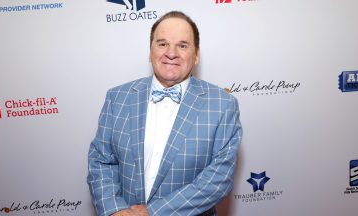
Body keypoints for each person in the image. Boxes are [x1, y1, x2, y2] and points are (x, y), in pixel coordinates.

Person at [87, 11, 243, 216]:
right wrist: (114, 210)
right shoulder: (117, 98)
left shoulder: (223, 105)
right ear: (150, 51)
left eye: (182, 45)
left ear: (196, 55)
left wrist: (152, 212)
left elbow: (218, 179)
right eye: (162, 44)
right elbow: (101, 161)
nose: (171, 53)